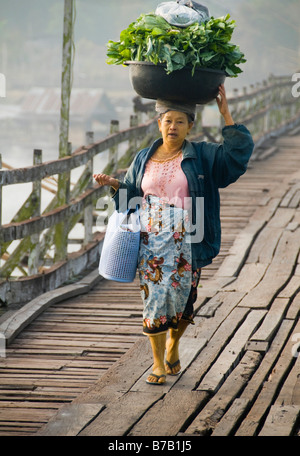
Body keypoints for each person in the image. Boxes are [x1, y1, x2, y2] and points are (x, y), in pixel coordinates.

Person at [94, 84, 254, 385]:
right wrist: (116, 186)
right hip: (151, 246)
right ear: (159, 123)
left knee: (185, 300)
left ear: (190, 126)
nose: (173, 126)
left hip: (188, 243)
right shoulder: (143, 158)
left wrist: (225, 114)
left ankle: (173, 345)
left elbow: (235, 160)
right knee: (154, 300)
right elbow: (131, 201)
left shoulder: (203, 157)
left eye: (180, 121)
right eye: (167, 121)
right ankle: (156, 364)